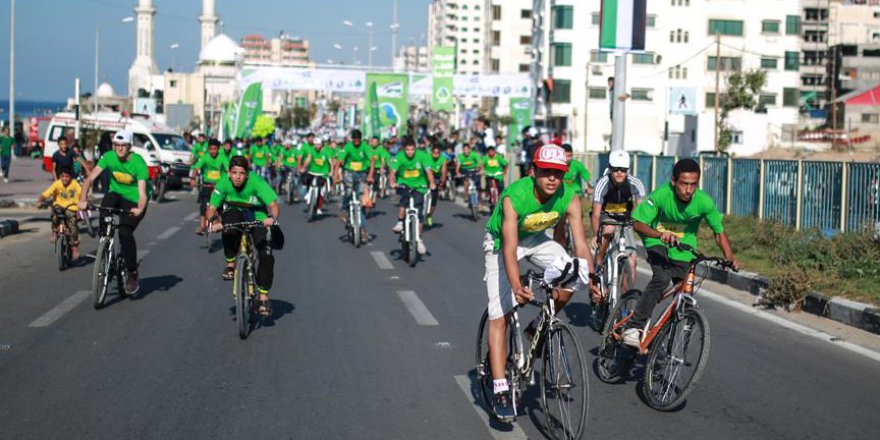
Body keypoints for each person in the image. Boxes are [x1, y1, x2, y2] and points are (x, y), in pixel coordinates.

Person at [482, 144, 592, 421]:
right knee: (500, 314)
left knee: (572, 276)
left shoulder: (570, 196)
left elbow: (580, 244)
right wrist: (516, 286)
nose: (552, 178)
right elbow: (509, 248)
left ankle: (535, 328)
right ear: (533, 171)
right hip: (501, 245)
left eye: (558, 172)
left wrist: (591, 278)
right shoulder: (514, 197)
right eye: (546, 172)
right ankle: (500, 389)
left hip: (537, 240)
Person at [624, 158, 740, 347]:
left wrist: (730, 258)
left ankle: (664, 338)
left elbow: (718, 232)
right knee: (661, 278)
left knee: (684, 291)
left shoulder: (703, 202)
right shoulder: (662, 195)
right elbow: (638, 223)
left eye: (693, 184)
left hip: (683, 250)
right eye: (684, 184)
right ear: (673, 181)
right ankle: (634, 327)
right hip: (656, 240)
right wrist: (660, 234)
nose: (688, 189)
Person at [206, 156, 280, 316]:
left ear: (247, 174)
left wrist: (271, 219)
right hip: (234, 212)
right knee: (228, 226)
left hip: (257, 215)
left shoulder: (257, 182)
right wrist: (213, 222)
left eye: (241, 173)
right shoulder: (223, 183)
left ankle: (263, 296)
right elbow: (212, 207)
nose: (237, 176)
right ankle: (231, 264)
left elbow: (273, 205)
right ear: (228, 173)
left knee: (266, 254)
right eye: (234, 172)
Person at [78, 130, 149, 295]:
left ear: (129, 146)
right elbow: (89, 179)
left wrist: (139, 208)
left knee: (124, 232)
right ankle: (104, 242)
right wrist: (83, 199)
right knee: (106, 205)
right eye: (117, 145)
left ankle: (132, 273)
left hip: (133, 200)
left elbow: (143, 194)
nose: (119, 149)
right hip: (116, 195)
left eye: (123, 145)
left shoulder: (138, 163)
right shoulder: (109, 157)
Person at [590, 150, 646, 299]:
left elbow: (642, 212)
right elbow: (595, 214)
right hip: (605, 218)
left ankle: (623, 304)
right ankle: (599, 265)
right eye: (616, 169)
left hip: (625, 222)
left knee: (632, 263)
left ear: (628, 170)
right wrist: (597, 235)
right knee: (608, 229)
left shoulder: (636, 183)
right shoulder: (602, 183)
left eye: (623, 170)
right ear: (610, 168)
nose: (619, 173)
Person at [389, 136, 435, 255]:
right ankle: (400, 222)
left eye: (412, 149)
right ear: (404, 149)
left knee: (419, 213)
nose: (410, 152)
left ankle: (418, 239)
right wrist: (393, 182)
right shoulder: (399, 157)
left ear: (415, 149)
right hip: (403, 184)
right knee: (403, 202)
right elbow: (393, 173)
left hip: (419, 186)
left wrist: (431, 183)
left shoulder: (422, 156)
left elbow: (428, 171)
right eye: (408, 150)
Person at [38, 166, 82, 260]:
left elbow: (81, 193)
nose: (65, 178)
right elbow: (47, 192)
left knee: (73, 226)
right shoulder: (57, 184)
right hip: (59, 207)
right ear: (60, 176)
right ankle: (54, 231)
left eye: (67, 176)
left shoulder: (75, 184)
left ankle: (74, 246)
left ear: (71, 177)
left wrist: (83, 202)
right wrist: (40, 200)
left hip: (71, 208)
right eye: (62, 176)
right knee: (54, 216)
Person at [337, 129, 374, 239]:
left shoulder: (365, 147)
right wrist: (336, 176)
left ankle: (363, 229)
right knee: (348, 191)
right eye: (355, 140)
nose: (356, 142)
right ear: (352, 139)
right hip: (349, 172)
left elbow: (372, 160)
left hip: (361, 174)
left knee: (361, 201)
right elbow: (339, 161)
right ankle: (344, 210)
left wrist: (370, 175)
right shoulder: (348, 146)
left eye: (358, 140)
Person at [192, 139, 229, 235]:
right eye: (211, 149)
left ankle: (219, 223)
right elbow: (196, 168)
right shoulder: (205, 157)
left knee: (219, 206)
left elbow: (228, 170)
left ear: (218, 149)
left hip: (219, 186)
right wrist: (192, 178)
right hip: (206, 184)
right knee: (204, 206)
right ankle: (202, 226)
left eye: (215, 149)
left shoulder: (223, 158)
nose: (213, 151)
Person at [299, 137, 333, 215]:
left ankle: (318, 207)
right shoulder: (312, 150)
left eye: (318, 144)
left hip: (323, 174)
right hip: (312, 172)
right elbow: (308, 159)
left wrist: (331, 172)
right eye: (315, 144)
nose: (316, 146)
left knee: (321, 191)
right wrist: (303, 168)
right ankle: (308, 193)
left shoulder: (326, 151)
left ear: (321, 145)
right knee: (306, 179)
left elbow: (331, 163)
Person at [456, 142, 483, 211]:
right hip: (465, 171)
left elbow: (480, 162)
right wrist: (457, 173)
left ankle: (479, 203)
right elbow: (458, 166)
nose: (466, 151)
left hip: (474, 170)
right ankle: (466, 196)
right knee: (466, 183)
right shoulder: (460, 156)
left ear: (469, 149)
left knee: (478, 188)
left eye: (467, 149)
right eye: (464, 150)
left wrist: (480, 169)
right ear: (462, 150)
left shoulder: (474, 154)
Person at [425, 144, 448, 227]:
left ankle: (429, 216)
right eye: (434, 153)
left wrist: (442, 182)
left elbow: (444, 172)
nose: (436, 155)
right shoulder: (426, 157)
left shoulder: (443, 159)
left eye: (437, 153)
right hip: (426, 177)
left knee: (434, 198)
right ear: (431, 153)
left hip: (436, 178)